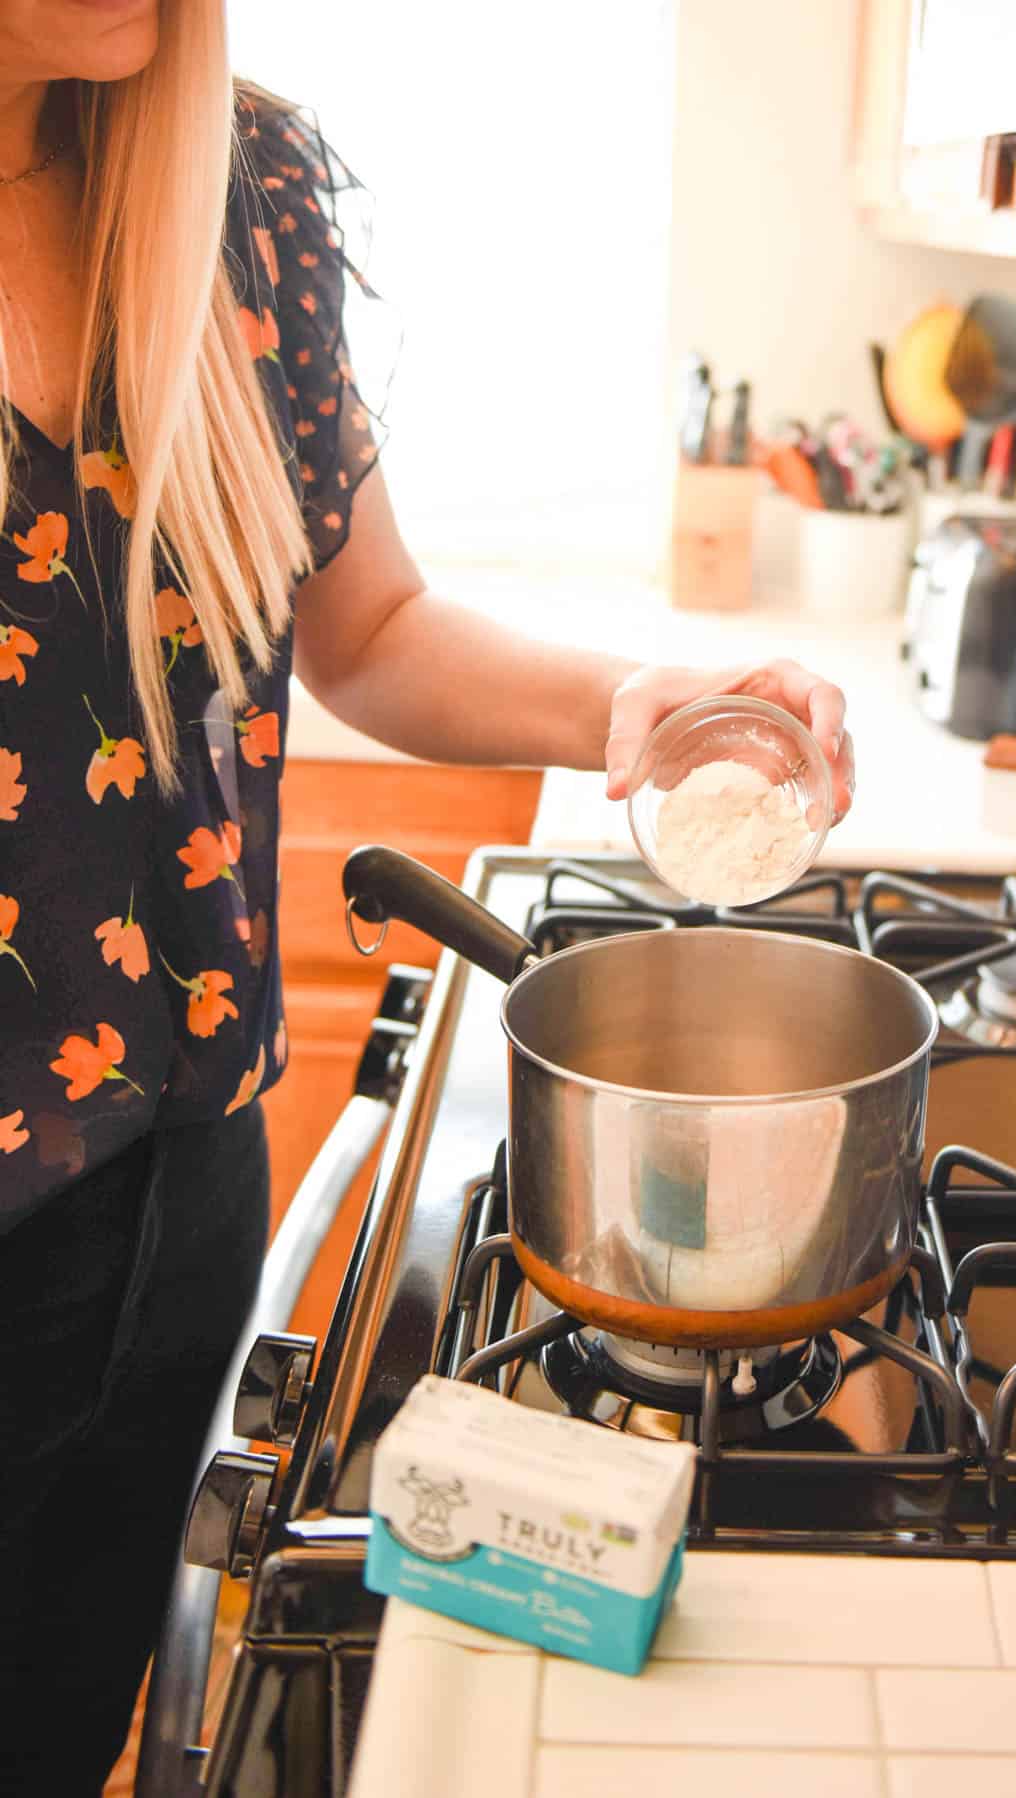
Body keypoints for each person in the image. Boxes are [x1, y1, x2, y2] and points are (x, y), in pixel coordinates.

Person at [0, 1, 855, 1787]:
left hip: (184, 1192)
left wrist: (625, 707)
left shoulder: (235, 185)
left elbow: (366, 626)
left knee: (69, 1728)